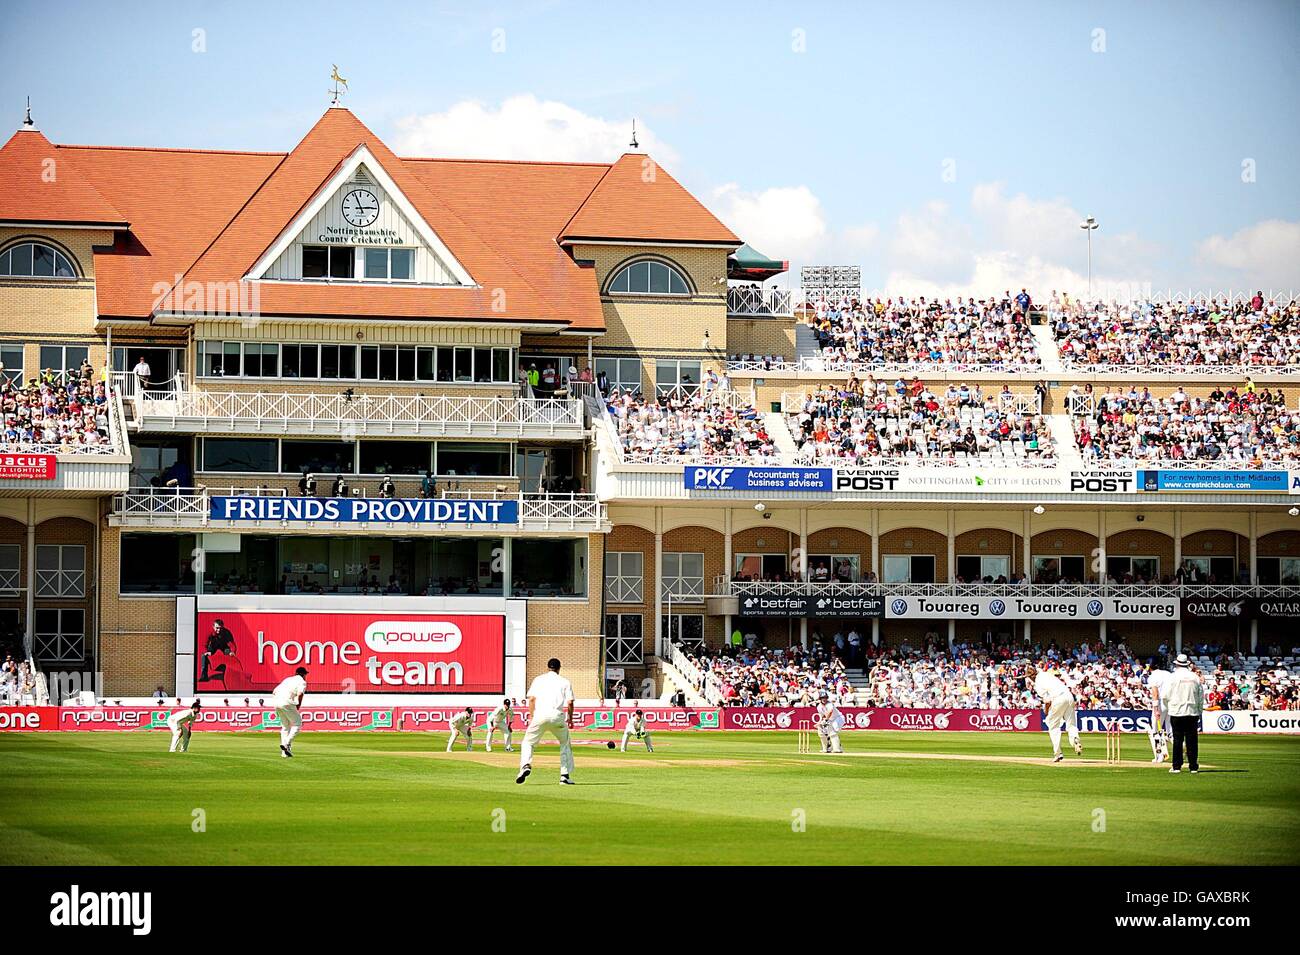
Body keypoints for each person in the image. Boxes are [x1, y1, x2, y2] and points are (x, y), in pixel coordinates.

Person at [516, 657, 575, 785]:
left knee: (528, 742)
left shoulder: (538, 680)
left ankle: (525, 765)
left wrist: (532, 717)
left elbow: (531, 699)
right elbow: (570, 702)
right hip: (557, 716)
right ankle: (564, 776)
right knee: (565, 743)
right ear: (559, 668)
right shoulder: (564, 681)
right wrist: (570, 718)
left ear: (548, 667)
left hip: (540, 715)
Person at [1026, 663, 1081, 762]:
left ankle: (1058, 754)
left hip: (1058, 698)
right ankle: (1075, 740)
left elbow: (1047, 701)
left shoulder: (1038, 685)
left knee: (1053, 726)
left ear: (1031, 677)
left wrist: (1046, 712)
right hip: (1069, 696)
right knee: (1071, 724)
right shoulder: (1045, 674)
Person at [1166, 654, 1205, 774]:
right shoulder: (1195, 677)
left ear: (1177, 664)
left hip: (1177, 711)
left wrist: (1169, 707)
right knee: (1192, 740)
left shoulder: (1172, 677)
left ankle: (1176, 766)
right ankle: (1193, 767)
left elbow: (1165, 695)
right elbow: (1200, 696)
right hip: (1192, 712)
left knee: (1177, 740)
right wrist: (1199, 711)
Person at [271, 666, 308, 758]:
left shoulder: (287, 679)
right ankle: (287, 743)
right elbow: (300, 694)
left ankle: (284, 753)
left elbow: (274, 692)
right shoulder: (302, 682)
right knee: (297, 724)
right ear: (303, 675)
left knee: (285, 727)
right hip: (286, 702)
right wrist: (298, 705)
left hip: (276, 702)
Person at [1147, 667, 1173, 763]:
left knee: (1155, 732)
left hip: (1161, 703)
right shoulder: (1168, 674)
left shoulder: (1153, 676)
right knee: (1170, 732)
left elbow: (1155, 693)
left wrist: (1156, 709)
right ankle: (1181, 750)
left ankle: (1159, 756)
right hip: (1171, 703)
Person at [199, 618, 236, 682]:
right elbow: (204, 644)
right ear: (213, 627)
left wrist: (232, 652)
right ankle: (204, 676)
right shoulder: (209, 632)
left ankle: (231, 675)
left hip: (223, 645)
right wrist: (206, 652)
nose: (218, 630)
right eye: (217, 628)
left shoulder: (226, 632)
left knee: (229, 655)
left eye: (220, 628)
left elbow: (232, 644)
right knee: (204, 656)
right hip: (213, 645)